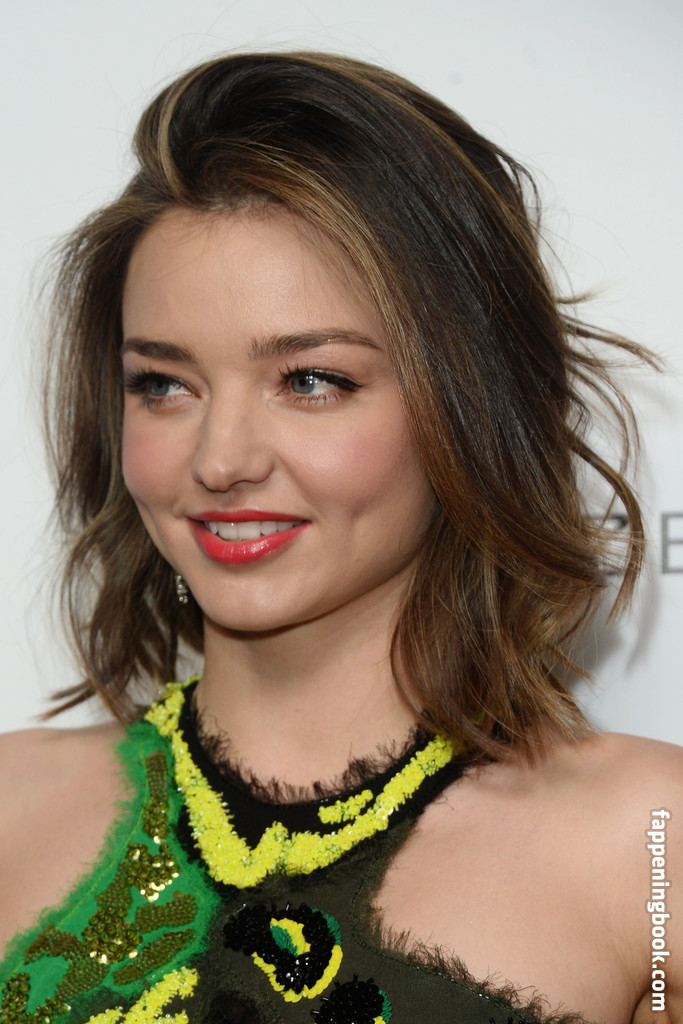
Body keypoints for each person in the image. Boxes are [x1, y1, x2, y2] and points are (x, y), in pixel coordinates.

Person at [0, 51, 680, 1024]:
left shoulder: (647, 852)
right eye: (164, 384)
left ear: (466, 404)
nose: (220, 459)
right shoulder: (10, 807)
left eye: (310, 380)